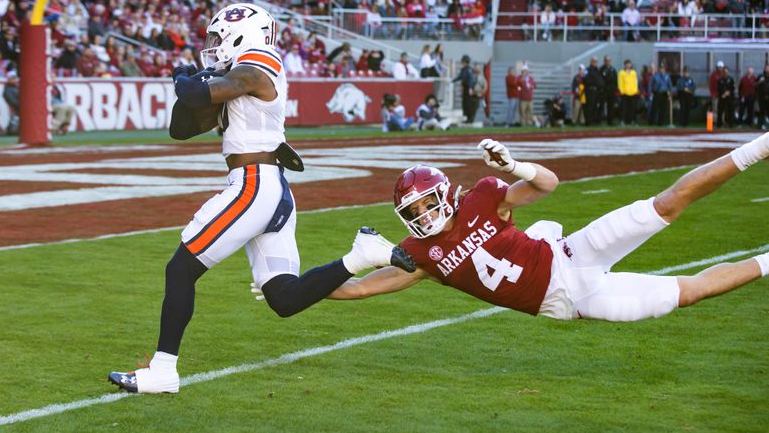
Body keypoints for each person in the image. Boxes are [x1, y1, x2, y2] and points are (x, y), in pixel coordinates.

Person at [108, 3, 413, 394]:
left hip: (254, 184)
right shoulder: (237, 76)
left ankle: (164, 371)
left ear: (243, 34)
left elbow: (194, 92)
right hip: (269, 186)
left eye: (218, 38)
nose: (213, 45)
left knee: (180, 268)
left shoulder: (258, 63)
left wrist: (186, 78)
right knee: (283, 297)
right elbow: (180, 128)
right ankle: (360, 256)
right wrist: (192, 83)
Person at [327, 134, 769, 325]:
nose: (423, 215)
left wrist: (515, 165)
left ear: (444, 192)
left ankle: (760, 146)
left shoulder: (482, 197)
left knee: (665, 205)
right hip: (573, 299)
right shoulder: (418, 253)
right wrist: (292, 286)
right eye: (414, 210)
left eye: (426, 203)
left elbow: (547, 185)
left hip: (570, 254)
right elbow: (360, 289)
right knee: (689, 292)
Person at [453, 55, 478, 124]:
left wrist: (470, 88)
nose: (462, 63)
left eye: (463, 62)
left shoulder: (468, 70)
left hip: (468, 88)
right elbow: (460, 77)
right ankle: (467, 118)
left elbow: (471, 80)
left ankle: (470, 118)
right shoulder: (463, 69)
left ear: (465, 62)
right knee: (464, 104)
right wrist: (452, 81)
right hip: (465, 88)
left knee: (468, 104)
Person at [618, 59, 639, 125]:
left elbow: (635, 82)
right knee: (624, 108)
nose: (628, 65)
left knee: (632, 108)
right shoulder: (621, 72)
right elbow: (620, 82)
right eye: (627, 64)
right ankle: (622, 120)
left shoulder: (633, 72)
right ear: (624, 65)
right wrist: (621, 90)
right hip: (624, 93)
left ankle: (632, 120)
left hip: (633, 93)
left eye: (629, 64)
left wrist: (636, 90)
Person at [600, 55, 618, 125]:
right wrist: (602, 88)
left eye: (609, 60)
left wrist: (615, 89)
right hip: (604, 90)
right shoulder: (601, 69)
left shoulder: (613, 69)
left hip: (611, 90)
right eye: (606, 60)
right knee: (601, 105)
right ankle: (599, 120)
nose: (608, 62)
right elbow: (600, 79)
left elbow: (615, 80)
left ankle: (610, 121)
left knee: (611, 106)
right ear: (604, 61)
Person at [2, 67, 19, 136]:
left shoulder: (15, 87)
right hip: (16, 108)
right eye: (13, 78)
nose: (15, 80)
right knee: (14, 119)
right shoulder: (8, 89)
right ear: (8, 79)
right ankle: (11, 130)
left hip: (18, 107)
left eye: (15, 78)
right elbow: (12, 101)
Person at [757, 64, 769, 130]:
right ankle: (760, 125)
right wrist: (759, 81)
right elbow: (755, 86)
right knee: (762, 112)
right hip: (762, 98)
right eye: (766, 68)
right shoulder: (761, 76)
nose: (767, 70)